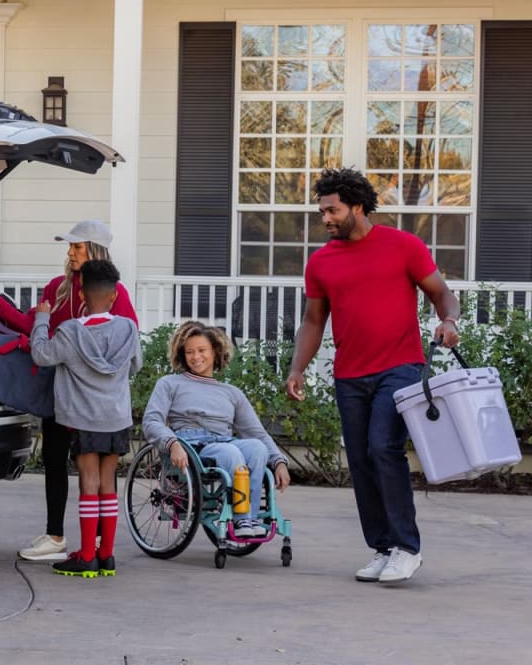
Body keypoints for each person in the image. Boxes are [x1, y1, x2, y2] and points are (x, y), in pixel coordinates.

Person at [286, 167, 461, 585]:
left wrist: (449, 321)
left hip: (400, 367)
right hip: (349, 375)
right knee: (361, 460)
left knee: (384, 448)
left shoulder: (403, 246)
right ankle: (383, 548)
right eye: (322, 211)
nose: (325, 218)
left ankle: (407, 547)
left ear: (357, 207)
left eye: (332, 210)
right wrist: (297, 368)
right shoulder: (321, 262)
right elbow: (313, 321)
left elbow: (440, 292)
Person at [0, 219, 139, 562]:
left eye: (77, 247)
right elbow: (31, 323)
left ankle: (96, 544)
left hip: (92, 403)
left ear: (94, 250)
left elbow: (122, 346)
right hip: (61, 395)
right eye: (70, 247)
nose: (70, 253)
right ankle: (57, 537)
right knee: (55, 461)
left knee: (93, 475)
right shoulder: (58, 286)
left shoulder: (115, 292)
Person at [27, 260, 142, 578]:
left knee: (88, 484)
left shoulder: (70, 332)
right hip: (116, 418)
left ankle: (87, 556)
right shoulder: (128, 329)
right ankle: (107, 555)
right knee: (107, 484)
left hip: (84, 419)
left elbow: (41, 354)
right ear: (113, 296)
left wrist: (41, 319)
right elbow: (136, 365)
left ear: (81, 296)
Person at [142, 322, 292, 537]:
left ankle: (249, 518)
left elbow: (256, 432)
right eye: (189, 352)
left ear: (215, 351)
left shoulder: (232, 393)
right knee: (231, 452)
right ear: (182, 355)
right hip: (191, 445)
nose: (196, 357)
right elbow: (151, 421)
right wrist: (172, 443)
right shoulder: (170, 383)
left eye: (202, 350)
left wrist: (279, 462)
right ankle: (242, 520)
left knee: (257, 448)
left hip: (223, 441)